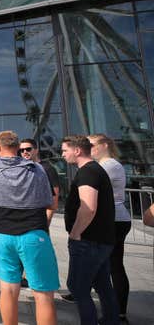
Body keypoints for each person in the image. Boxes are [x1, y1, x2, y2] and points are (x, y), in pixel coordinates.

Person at [0, 131, 58, 325]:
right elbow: (50, 203)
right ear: (17, 147)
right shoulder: (36, 169)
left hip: (2, 235)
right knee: (43, 294)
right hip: (33, 233)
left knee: (8, 289)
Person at [62, 135, 119, 325]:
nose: (62, 155)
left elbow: (88, 207)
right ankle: (111, 321)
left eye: (64, 150)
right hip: (100, 240)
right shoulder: (94, 170)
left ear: (77, 151)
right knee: (102, 284)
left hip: (88, 241)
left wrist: (75, 233)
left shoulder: (88, 172)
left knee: (78, 287)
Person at [89, 134, 131, 322]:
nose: (89, 148)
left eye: (91, 145)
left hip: (113, 219)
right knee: (109, 264)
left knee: (113, 265)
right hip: (113, 217)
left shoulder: (109, 165)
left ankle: (118, 310)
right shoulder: (109, 165)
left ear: (105, 145)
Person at [19, 139, 60, 226]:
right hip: (23, 222)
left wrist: (45, 224)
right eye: (22, 150)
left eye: (28, 149)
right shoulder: (21, 169)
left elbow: (53, 201)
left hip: (39, 222)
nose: (25, 152)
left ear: (36, 150)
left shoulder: (48, 169)